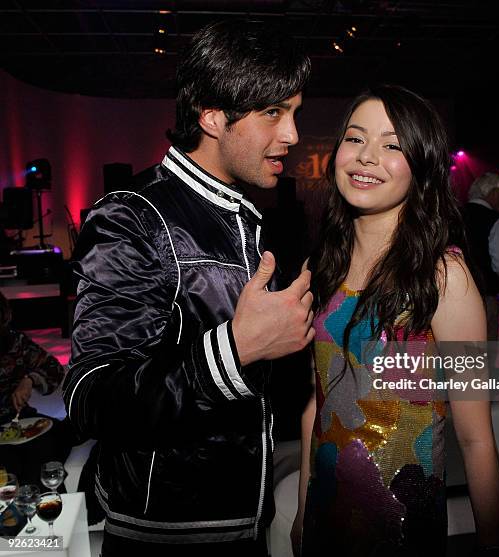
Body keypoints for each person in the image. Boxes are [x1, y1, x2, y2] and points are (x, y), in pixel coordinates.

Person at [62, 20, 312, 556]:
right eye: (273, 112)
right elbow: (89, 400)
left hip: (244, 518)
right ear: (213, 116)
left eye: (293, 112)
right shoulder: (131, 218)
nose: (292, 135)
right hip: (166, 534)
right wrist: (235, 350)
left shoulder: (246, 218)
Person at [291, 85, 499, 556]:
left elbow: (474, 436)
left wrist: (493, 544)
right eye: (355, 139)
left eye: (392, 145)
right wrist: (301, 511)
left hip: (402, 525)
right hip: (326, 515)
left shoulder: (445, 278)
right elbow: (317, 400)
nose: (367, 156)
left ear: (422, 165)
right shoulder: (324, 265)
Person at [0, 292, 73, 491]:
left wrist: (30, 379)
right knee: (15, 461)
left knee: (59, 436)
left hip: (19, 420)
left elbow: (54, 369)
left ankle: (51, 503)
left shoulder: (15, 341)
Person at [462, 172, 499, 342]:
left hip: (447, 297)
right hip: (483, 297)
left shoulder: (451, 216)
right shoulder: (497, 221)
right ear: (493, 193)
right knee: (483, 356)